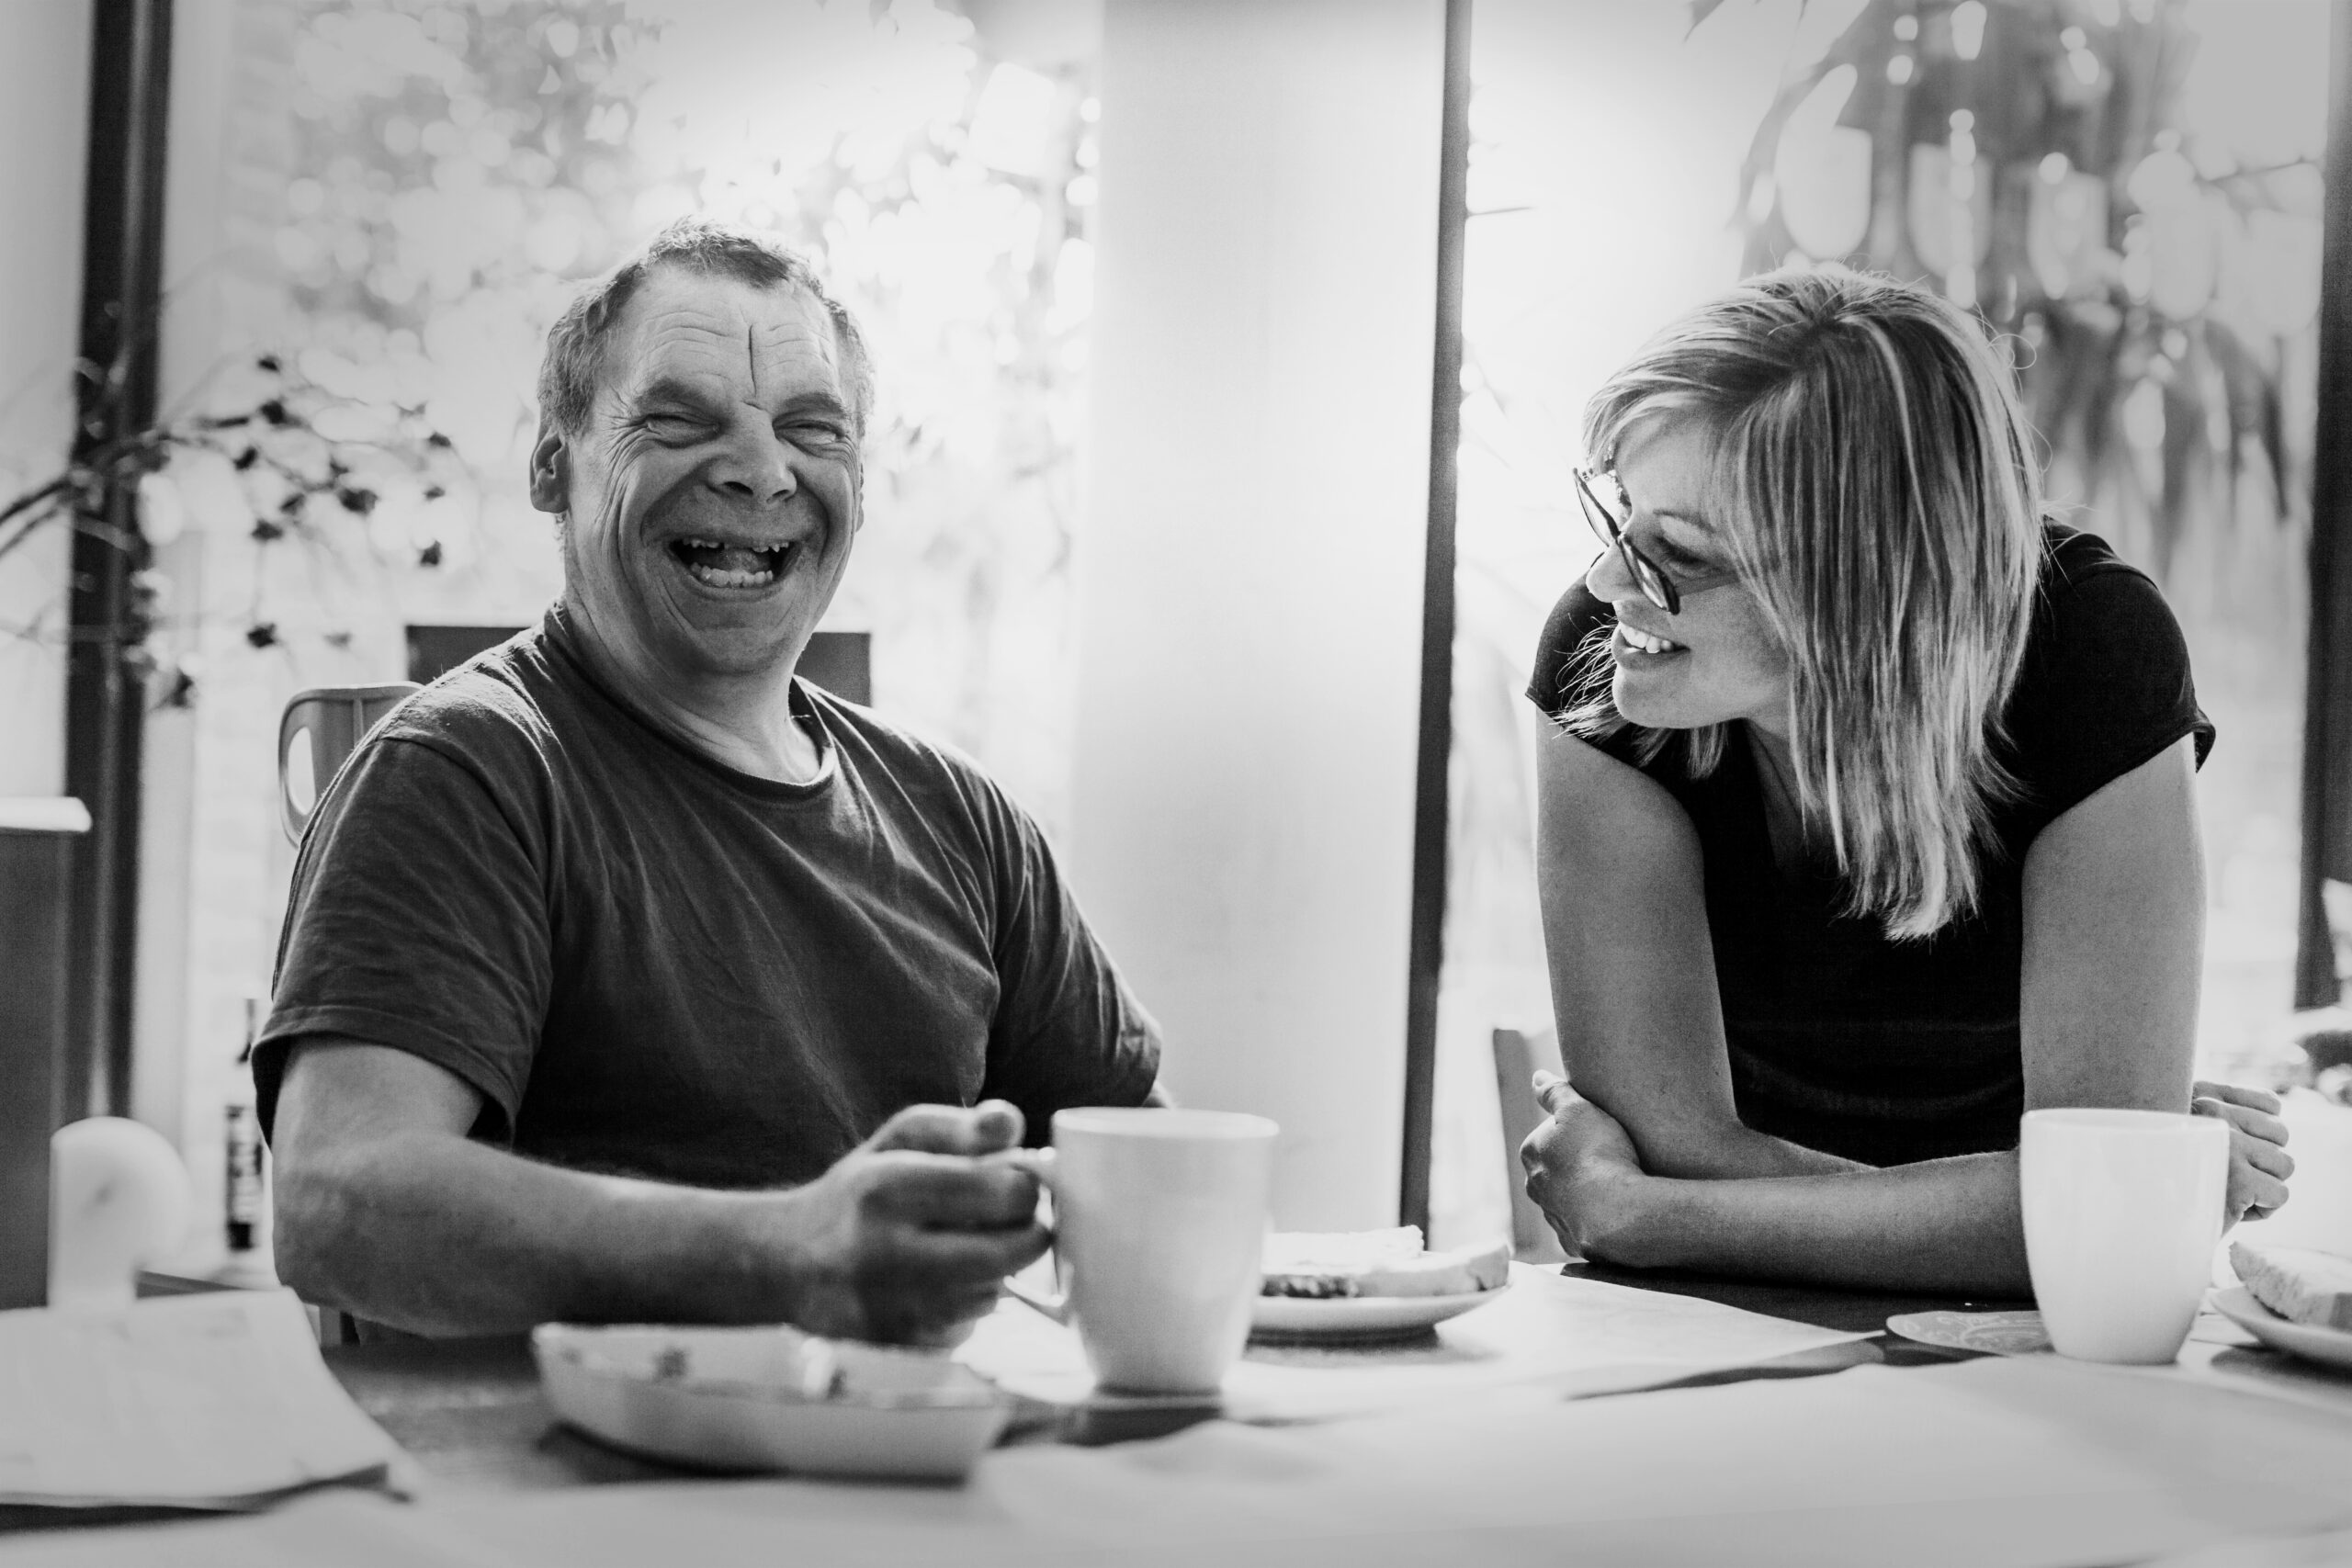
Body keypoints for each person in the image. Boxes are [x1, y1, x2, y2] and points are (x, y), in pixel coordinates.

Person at [259, 220, 1163, 1342]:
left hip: (902, 1469)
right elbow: (339, 1203)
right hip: (554, 1496)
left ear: (860, 483)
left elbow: (1151, 1167)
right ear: (554, 467)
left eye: (811, 429)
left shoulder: (962, 821)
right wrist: (787, 1253)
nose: (759, 468)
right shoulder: (464, 772)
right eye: (679, 421)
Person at [1519, 267, 2292, 1295]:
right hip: (1718, 1307)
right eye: (1619, 513)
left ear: (1857, 587)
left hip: (2008, 1353)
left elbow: (2095, 1217)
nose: (1609, 580)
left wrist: (1645, 1216)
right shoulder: (1609, 663)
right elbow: (2093, 1211)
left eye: (1679, 553)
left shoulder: (2088, 653)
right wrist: (2042, 1206)